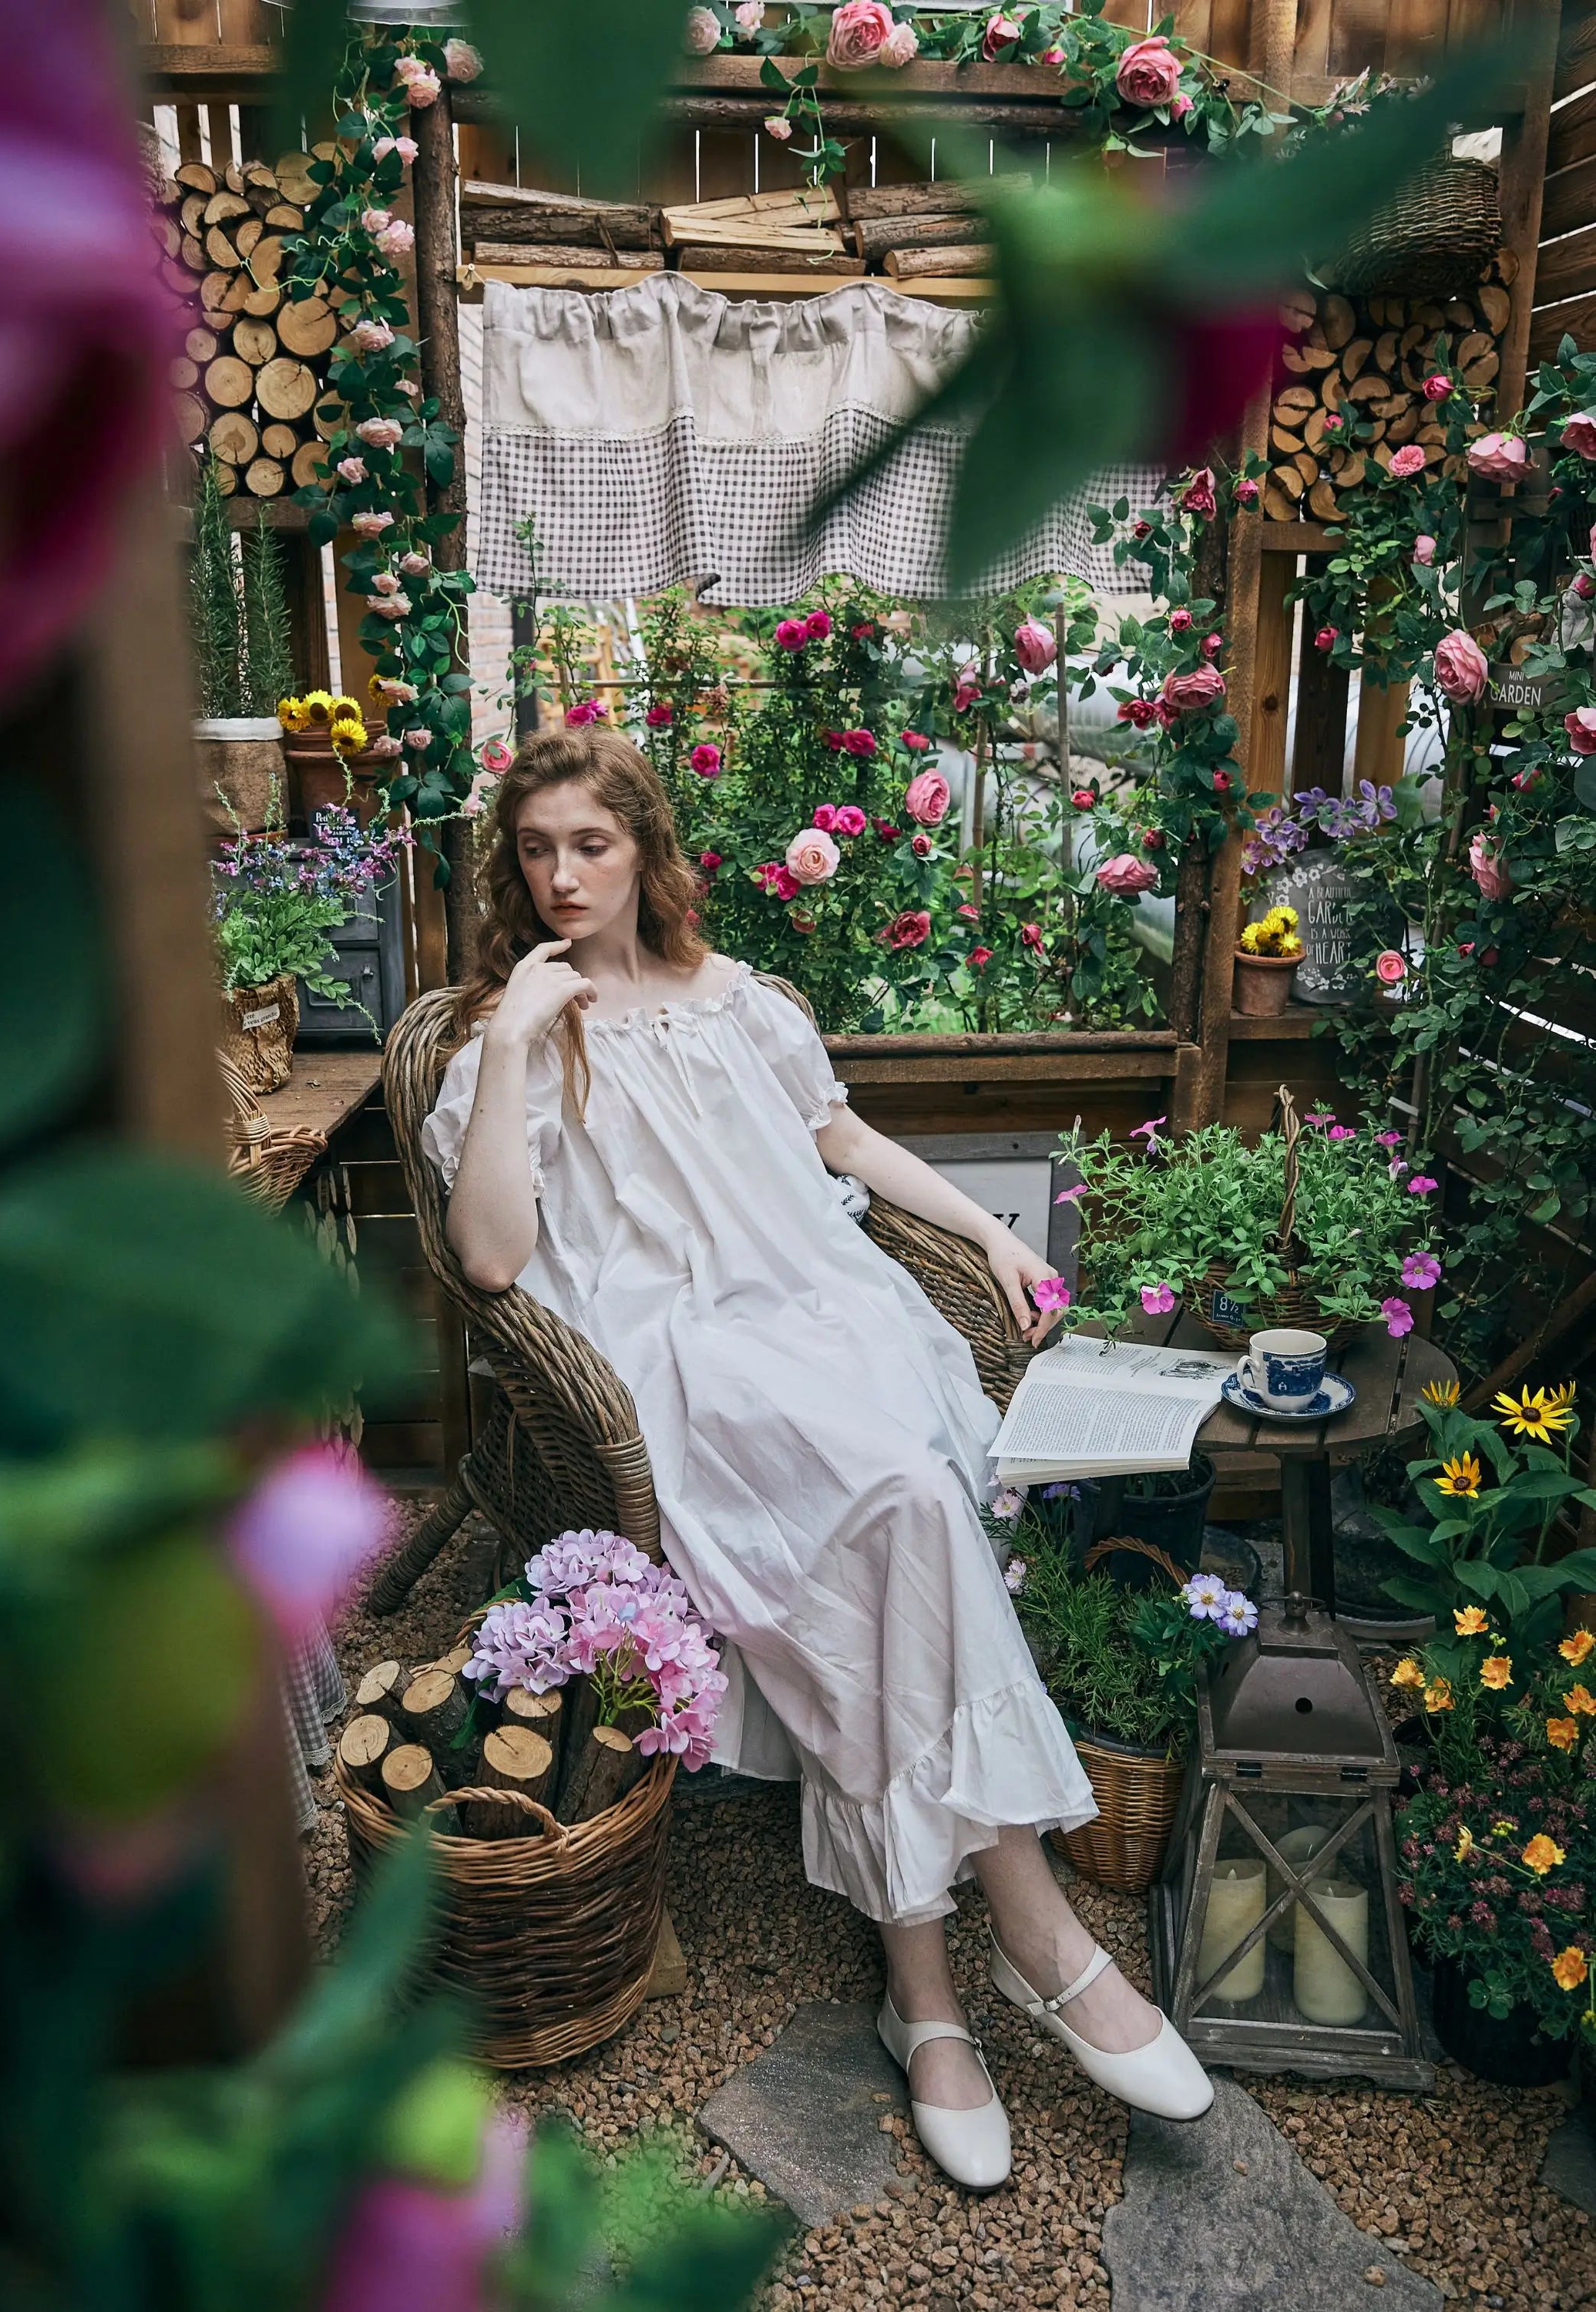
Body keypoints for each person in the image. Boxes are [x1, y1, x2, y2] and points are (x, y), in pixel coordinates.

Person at [426, 727, 1212, 2185]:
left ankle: (928, 1995)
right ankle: (1030, 1933)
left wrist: (985, 1229)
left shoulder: (746, 1006)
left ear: (644, 850)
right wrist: (519, 1041)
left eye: (589, 844)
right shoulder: (506, 1035)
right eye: (534, 850)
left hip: (822, 1316)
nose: (560, 876)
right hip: (676, 1355)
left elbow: (843, 1145)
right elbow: (488, 1259)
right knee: (902, 1508)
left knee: (902, 1506)